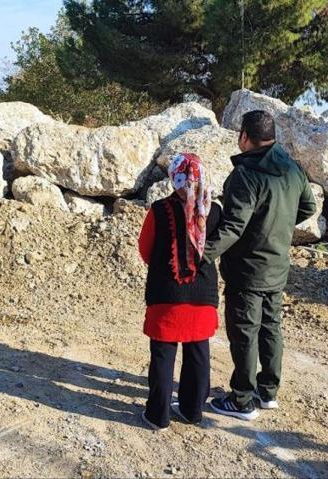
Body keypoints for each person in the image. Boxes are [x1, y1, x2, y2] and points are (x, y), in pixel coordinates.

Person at [203, 110, 317, 421]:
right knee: (271, 328)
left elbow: (233, 227)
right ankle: (267, 392)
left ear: (244, 137)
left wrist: (202, 254)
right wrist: (278, 223)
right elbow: (309, 206)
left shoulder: (245, 174)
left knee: (244, 332)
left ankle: (241, 399)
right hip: (277, 266)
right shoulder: (293, 170)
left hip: (247, 269)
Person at [138, 153, 222, 431]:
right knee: (199, 353)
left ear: (175, 177)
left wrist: (166, 264)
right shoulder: (216, 211)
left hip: (167, 294)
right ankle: (192, 411)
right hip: (202, 296)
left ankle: (157, 416)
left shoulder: (160, 209)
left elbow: (145, 249)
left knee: (163, 355)